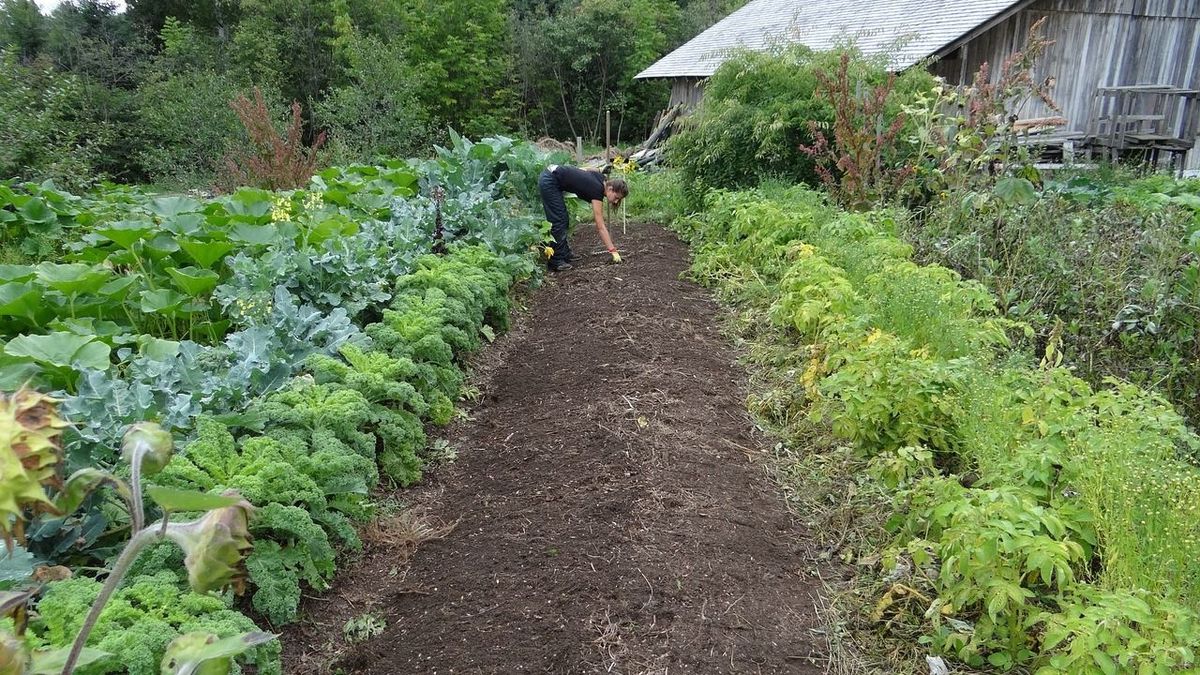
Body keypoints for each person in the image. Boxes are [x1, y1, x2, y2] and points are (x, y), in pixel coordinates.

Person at [538, 164, 628, 271]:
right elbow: (600, 226)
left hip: (553, 174)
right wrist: (612, 250)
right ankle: (556, 261)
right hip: (550, 180)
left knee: (563, 219)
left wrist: (599, 169)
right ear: (610, 188)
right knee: (558, 220)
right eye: (616, 197)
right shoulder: (596, 190)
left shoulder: (602, 178)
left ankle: (564, 254)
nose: (616, 201)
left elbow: (586, 169)